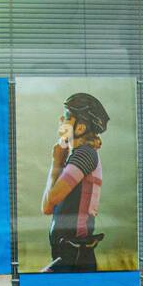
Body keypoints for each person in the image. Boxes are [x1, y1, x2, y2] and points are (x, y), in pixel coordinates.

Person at [41, 92, 109, 272]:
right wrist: (58, 161)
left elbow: (52, 198)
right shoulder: (74, 158)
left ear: (80, 128)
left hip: (76, 257)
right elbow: (47, 208)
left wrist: (56, 162)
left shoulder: (85, 155)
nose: (61, 119)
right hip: (67, 255)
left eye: (67, 116)